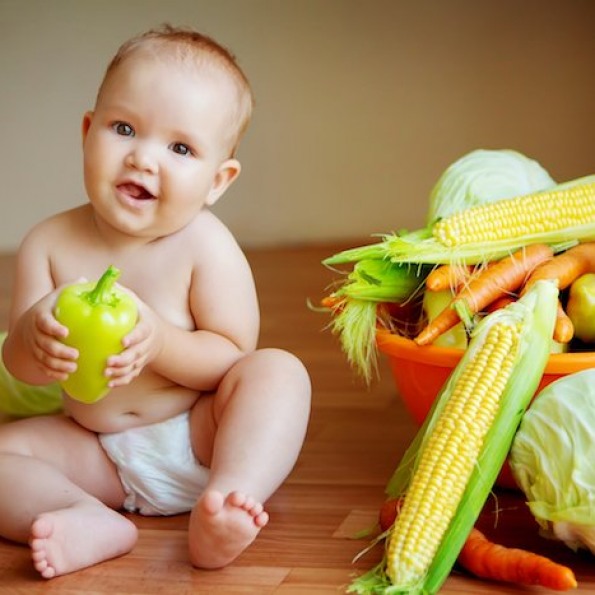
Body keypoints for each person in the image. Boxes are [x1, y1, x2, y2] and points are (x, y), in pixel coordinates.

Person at [0, 24, 311, 579]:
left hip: (199, 435)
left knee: (278, 373)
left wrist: (161, 343)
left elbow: (231, 353)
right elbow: (21, 367)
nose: (144, 158)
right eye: (124, 128)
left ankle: (229, 498)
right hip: (96, 451)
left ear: (218, 180)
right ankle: (81, 514)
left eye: (180, 148)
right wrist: (33, 338)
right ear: (87, 132)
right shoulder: (47, 243)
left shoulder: (205, 245)